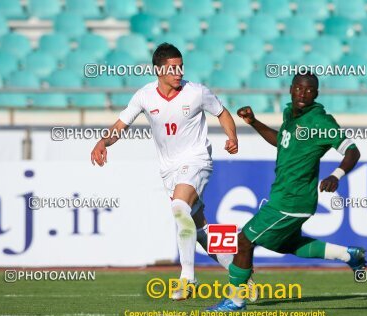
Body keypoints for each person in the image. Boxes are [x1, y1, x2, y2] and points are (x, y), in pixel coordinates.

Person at [90, 43, 252, 300]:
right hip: (169, 171)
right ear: (158, 70)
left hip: (197, 161)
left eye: (180, 67)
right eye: (172, 68)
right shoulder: (144, 96)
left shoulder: (197, 92)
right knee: (198, 231)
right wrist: (103, 142)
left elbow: (222, 113)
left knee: (179, 207)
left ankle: (187, 278)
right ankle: (243, 278)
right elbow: (121, 124)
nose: (178, 72)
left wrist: (232, 137)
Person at [207, 73, 367, 311]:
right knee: (285, 245)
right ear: (291, 89)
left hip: (292, 201)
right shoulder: (289, 114)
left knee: (243, 241)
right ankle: (348, 255)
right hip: (284, 197)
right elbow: (281, 140)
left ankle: (236, 299)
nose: (303, 94)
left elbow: (352, 151)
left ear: (317, 94)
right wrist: (253, 122)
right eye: (299, 89)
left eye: (309, 90)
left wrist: (336, 175)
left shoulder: (320, 122)